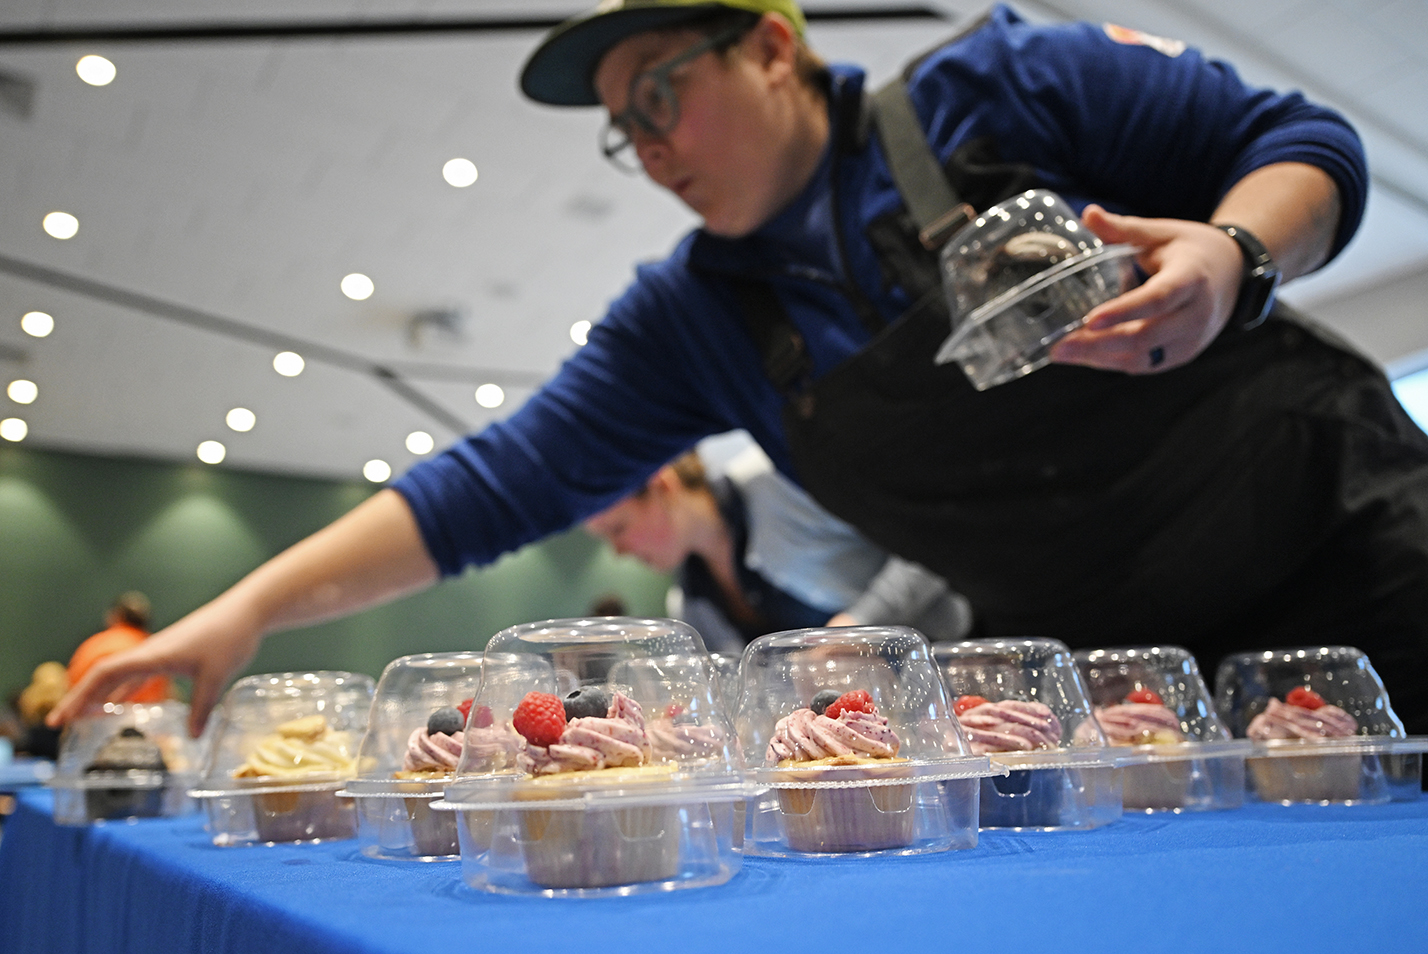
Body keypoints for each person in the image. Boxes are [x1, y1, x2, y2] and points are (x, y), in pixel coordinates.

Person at [50, 0, 1428, 738]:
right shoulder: (692, 321)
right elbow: (489, 486)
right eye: (619, 129)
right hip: (1121, 673)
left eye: (660, 91)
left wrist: (1241, 250)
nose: (646, 145)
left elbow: (1306, 142)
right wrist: (240, 614)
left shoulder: (1006, 86)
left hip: (1354, 545)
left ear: (772, 43)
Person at [584, 444, 971, 650]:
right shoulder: (691, 604)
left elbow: (931, 542)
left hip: (947, 681)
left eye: (618, 529)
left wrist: (855, 625)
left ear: (662, 485)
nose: (618, 551)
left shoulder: (779, 479)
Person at [67, 593, 173, 705]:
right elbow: (168, 695)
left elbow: (71, 686)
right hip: (146, 717)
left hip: (93, 715)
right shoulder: (154, 649)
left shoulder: (94, 645)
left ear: (114, 616)